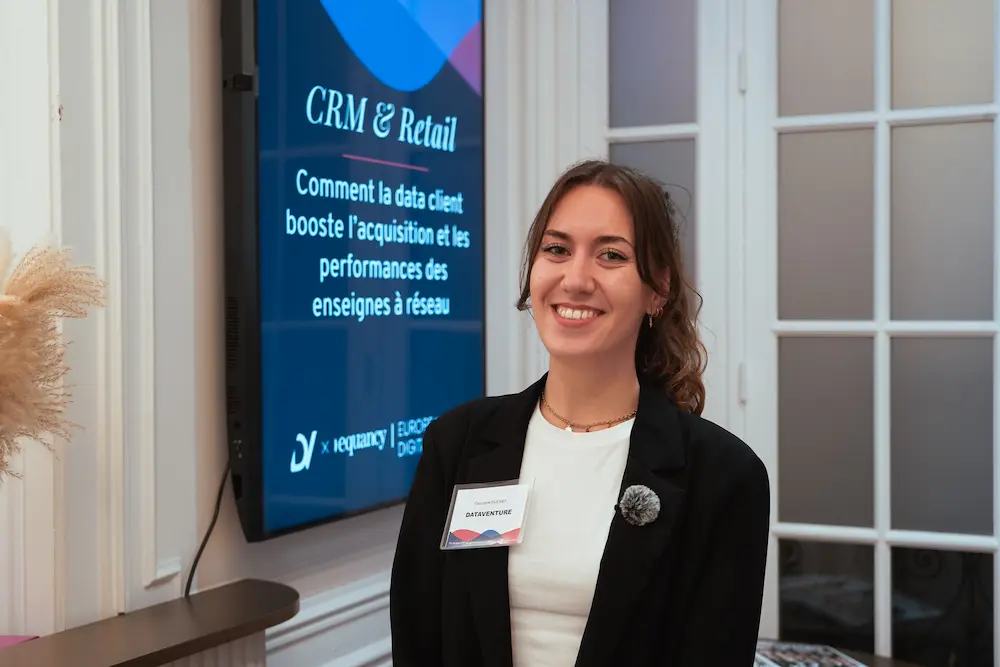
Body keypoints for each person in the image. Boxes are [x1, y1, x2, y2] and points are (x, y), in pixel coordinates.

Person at [389, 159, 770, 666]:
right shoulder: (456, 443)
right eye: (557, 249)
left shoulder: (724, 476)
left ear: (656, 289)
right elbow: (420, 639)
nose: (575, 278)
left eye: (610, 255)